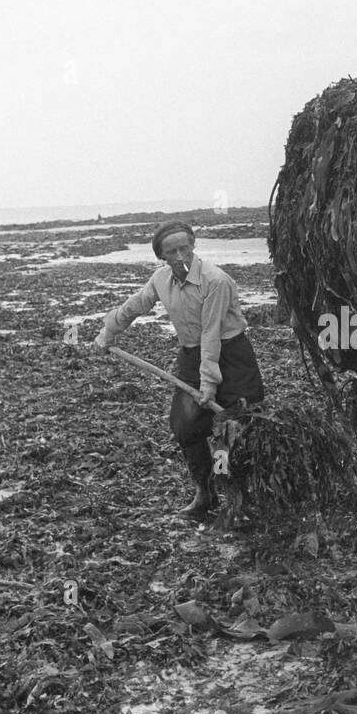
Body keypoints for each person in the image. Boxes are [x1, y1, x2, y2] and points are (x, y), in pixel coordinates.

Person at [93, 219, 265, 516]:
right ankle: (205, 492)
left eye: (184, 248)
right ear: (162, 257)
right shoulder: (160, 280)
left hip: (231, 357)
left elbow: (211, 333)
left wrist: (209, 383)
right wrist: (109, 330)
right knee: (185, 427)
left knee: (232, 430)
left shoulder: (216, 280)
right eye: (172, 252)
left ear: (194, 245)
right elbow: (135, 305)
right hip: (191, 357)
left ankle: (239, 497)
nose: (180, 256)